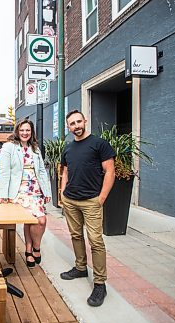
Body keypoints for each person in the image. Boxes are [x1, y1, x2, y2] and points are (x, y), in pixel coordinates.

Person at [60, 110, 115, 307]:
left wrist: (101, 198)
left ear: (85, 121)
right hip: (71, 200)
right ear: (68, 127)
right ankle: (80, 267)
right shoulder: (67, 148)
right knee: (75, 236)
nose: (76, 125)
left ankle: (100, 283)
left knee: (95, 241)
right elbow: (65, 171)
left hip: (92, 201)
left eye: (78, 121)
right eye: (72, 123)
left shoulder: (99, 144)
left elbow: (110, 171)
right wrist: (62, 192)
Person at [0, 118, 52, 268]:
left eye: (27, 130)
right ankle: (36, 248)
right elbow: (4, 172)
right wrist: (3, 195)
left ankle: (30, 249)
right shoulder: (9, 147)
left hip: (36, 190)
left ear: (31, 132)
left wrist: (47, 191)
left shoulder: (35, 148)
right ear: (17, 131)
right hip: (19, 192)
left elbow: (41, 171)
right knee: (40, 220)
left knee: (34, 221)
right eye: (22, 130)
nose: (25, 133)